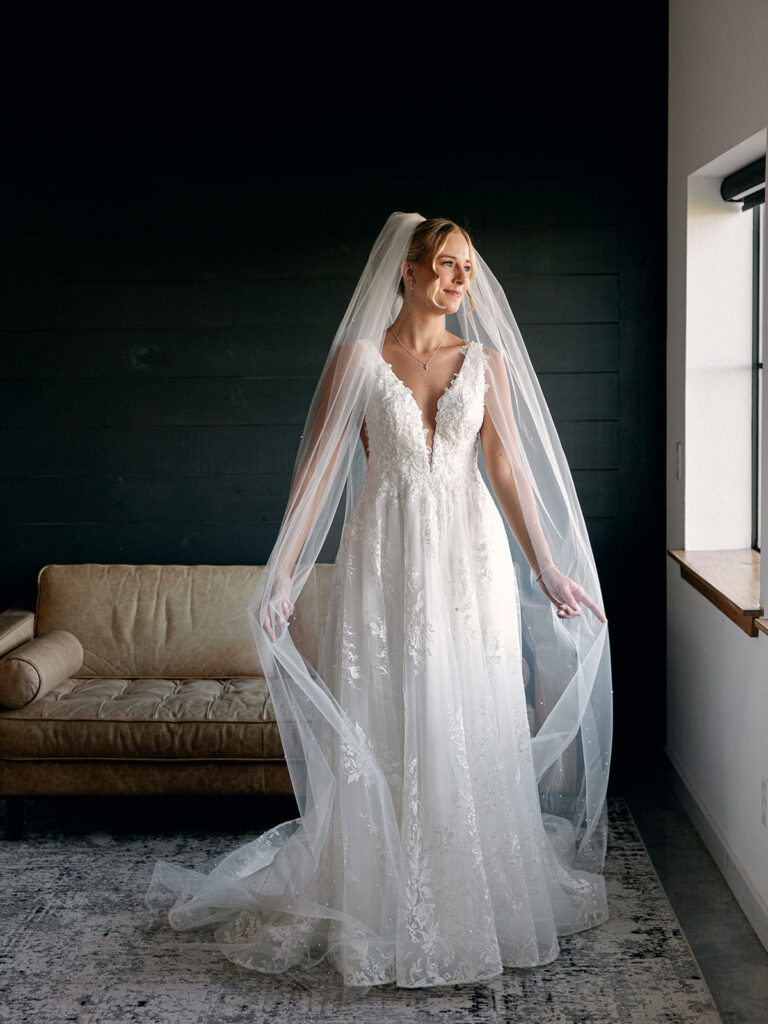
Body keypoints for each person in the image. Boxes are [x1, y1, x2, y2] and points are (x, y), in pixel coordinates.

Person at [146, 213, 613, 992]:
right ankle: (375, 900)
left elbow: (507, 473)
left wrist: (549, 569)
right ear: (408, 268)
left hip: (468, 561)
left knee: (466, 711)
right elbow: (318, 472)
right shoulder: (359, 359)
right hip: (382, 557)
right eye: (447, 264)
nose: (461, 279)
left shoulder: (486, 363)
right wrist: (284, 575)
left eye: (469, 267)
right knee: (384, 715)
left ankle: (470, 899)